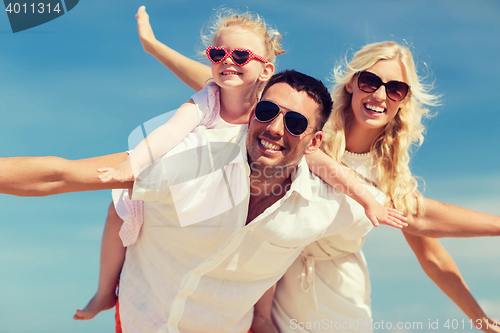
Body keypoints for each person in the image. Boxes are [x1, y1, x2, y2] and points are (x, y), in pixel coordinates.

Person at [133, 12, 500, 331]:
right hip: (271, 288)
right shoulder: (307, 134)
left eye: (396, 88)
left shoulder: (390, 178)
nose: (380, 94)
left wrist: (480, 320)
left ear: (404, 101)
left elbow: (428, 245)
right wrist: (153, 47)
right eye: (371, 81)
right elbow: (235, 89)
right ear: (353, 84)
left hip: (340, 298)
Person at [0, 70, 403, 333]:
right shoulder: (189, 160)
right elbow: (62, 174)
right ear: (251, 115)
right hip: (141, 320)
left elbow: (417, 217)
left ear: (315, 142)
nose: (275, 129)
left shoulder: (325, 205)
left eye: (295, 123)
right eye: (267, 111)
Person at [74, 7, 406, 322]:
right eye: (217, 54)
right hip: (198, 194)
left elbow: (322, 163)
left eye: (241, 56)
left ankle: (260, 318)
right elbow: (169, 131)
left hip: (252, 210)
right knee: (119, 207)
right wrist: (132, 166)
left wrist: (366, 199)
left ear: (265, 70)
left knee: (268, 251)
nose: (227, 62)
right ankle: (105, 291)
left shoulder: (270, 110)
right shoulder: (210, 99)